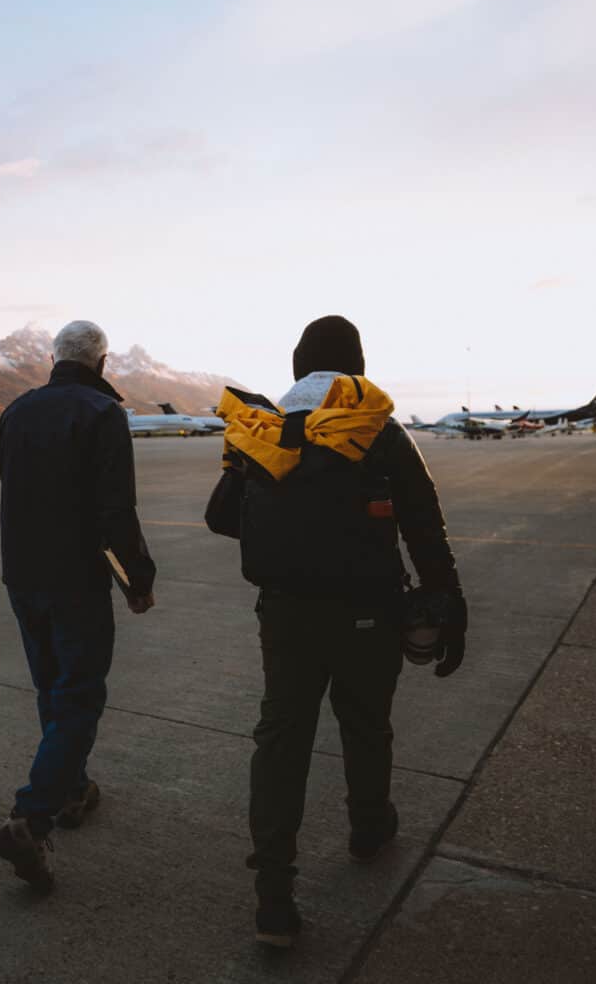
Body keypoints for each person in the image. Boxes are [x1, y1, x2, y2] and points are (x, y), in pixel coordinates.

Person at [205, 314, 467, 948]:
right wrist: (448, 602)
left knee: (281, 738)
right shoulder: (376, 429)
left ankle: (273, 896)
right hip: (368, 611)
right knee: (365, 722)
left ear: (297, 367)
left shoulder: (266, 431)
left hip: (287, 612)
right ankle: (369, 828)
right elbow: (424, 526)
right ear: (357, 367)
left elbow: (220, 517)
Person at [0, 319, 157, 893]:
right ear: (102, 363)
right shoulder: (102, 414)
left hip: (22, 576)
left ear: (52, 357)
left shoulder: (15, 412)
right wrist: (138, 577)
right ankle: (32, 818)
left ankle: (73, 791)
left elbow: (8, 478)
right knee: (80, 695)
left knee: (52, 688)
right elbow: (116, 509)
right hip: (75, 581)